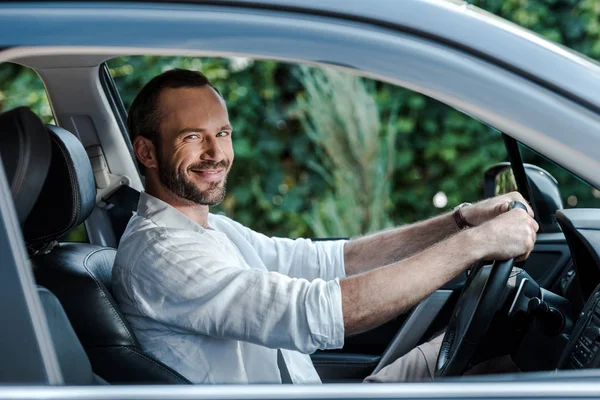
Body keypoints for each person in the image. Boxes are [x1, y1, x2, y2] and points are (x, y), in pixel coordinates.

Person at [112, 68, 538, 384]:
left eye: (221, 133)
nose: (216, 153)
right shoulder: (161, 254)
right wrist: (474, 246)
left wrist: (460, 222)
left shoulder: (211, 230)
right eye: (192, 137)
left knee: (504, 352)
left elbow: (332, 259)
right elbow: (320, 312)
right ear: (146, 152)